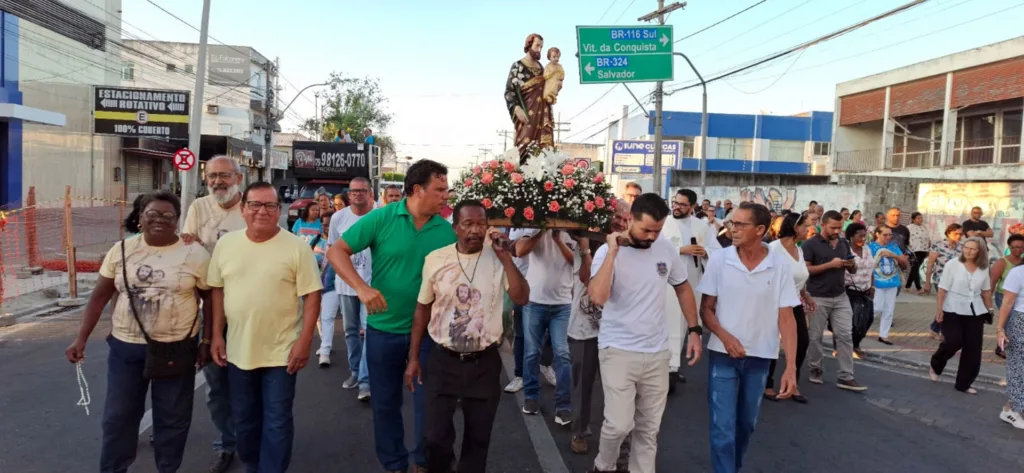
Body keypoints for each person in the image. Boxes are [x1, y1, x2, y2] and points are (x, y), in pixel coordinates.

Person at [66, 191, 211, 473]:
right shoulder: (120, 251)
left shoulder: (195, 254)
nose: (160, 220)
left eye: (168, 216)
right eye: (152, 214)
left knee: (172, 417)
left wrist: (207, 339)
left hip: (176, 347)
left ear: (177, 221)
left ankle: (168, 468)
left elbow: (212, 298)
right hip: (126, 348)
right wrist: (81, 338)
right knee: (118, 417)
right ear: (140, 218)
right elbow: (99, 296)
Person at [327, 159, 456, 473]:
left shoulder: (447, 230)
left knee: (429, 405)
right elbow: (335, 252)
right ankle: (394, 464)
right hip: (384, 329)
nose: (445, 196)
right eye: (439, 190)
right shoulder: (382, 218)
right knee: (385, 405)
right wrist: (360, 288)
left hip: (429, 333)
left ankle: (422, 461)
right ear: (416, 190)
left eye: (446, 190)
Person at [406, 201, 530, 473]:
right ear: (455, 228)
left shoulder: (497, 259)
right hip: (442, 361)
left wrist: (506, 258)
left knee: (478, 439)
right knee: (435, 437)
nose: (475, 230)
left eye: (480, 224)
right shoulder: (436, 259)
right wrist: (414, 357)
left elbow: (521, 297)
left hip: (484, 364)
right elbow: (422, 307)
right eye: (467, 224)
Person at [207, 182, 322, 473]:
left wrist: (305, 341)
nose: (262, 211)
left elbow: (312, 296)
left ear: (279, 210)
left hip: (281, 352)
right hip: (237, 349)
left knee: (277, 418)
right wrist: (216, 336)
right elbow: (217, 291)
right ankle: (252, 463)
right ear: (243, 209)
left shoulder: (297, 248)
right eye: (255, 205)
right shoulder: (226, 244)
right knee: (244, 417)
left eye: (270, 205)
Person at [587, 193, 702, 473]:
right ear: (629, 220)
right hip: (618, 350)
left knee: (649, 430)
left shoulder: (664, 248)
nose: (651, 236)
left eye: (657, 230)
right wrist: (613, 252)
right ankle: (604, 465)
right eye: (646, 230)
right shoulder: (606, 253)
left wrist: (695, 329)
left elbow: (683, 286)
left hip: (657, 352)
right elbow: (598, 297)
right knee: (618, 424)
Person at [698, 202, 801, 473]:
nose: (733, 229)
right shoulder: (720, 259)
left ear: (760, 230)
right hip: (723, 355)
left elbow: (787, 318)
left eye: (741, 224)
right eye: (732, 223)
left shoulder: (779, 265)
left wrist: (790, 367)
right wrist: (724, 336)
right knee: (722, 429)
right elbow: (706, 309)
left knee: (746, 425)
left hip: (760, 357)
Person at [180, 155, 247, 473]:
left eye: (224, 175)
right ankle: (226, 443)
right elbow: (190, 251)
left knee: (249, 379)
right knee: (216, 383)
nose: (217, 181)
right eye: (211, 176)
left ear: (239, 178)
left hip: (247, 307)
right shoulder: (198, 209)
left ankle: (251, 439)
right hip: (209, 308)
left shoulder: (252, 208)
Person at [569, 200, 631, 455]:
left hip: (618, 329)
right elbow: (586, 278)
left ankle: (620, 438)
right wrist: (585, 249)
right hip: (585, 325)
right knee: (582, 384)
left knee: (620, 388)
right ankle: (579, 431)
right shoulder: (588, 241)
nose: (619, 222)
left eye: (625, 218)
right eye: (615, 217)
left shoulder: (633, 248)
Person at [511, 222, 578, 424]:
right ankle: (531, 397)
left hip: (562, 302)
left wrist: (559, 240)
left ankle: (563, 405)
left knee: (563, 354)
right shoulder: (533, 227)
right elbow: (520, 251)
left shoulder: (572, 229)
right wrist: (542, 230)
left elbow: (576, 261)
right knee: (531, 352)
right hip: (535, 300)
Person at [804, 210, 867, 391]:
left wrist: (851, 265)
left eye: (840, 227)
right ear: (822, 225)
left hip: (840, 296)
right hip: (817, 296)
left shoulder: (843, 243)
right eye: (833, 227)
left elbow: (852, 270)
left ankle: (846, 376)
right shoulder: (810, 244)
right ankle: (815, 368)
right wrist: (830, 265)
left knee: (846, 336)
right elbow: (806, 270)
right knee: (815, 336)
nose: (837, 231)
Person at [663, 188, 721, 383]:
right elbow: (655, 247)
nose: (677, 207)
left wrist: (704, 253)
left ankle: (674, 365)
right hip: (666, 285)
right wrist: (681, 249)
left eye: (682, 204)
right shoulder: (663, 222)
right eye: (675, 202)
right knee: (668, 322)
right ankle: (666, 367)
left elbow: (717, 251)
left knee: (685, 323)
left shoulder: (701, 226)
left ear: (692, 207)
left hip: (692, 281)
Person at [326, 177, 375, 399]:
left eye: (361, 191)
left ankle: (365, 379)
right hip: (345, 285)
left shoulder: (379, 215)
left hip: (372, 285)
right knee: (350, 331)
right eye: (353, 191)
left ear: (370, 192)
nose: (357, 195)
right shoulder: (338, 217)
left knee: (370, 331)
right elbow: (332, 251)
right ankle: (355, 371)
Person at [929, 237, 993, 394]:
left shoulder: (984, 268)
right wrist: (939, 309)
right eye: (966, 247)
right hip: (952, 308)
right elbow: (942, 289)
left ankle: (964, 384)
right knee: (954, 341)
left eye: (973, 249)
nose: (968, 251)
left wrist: (990, 309)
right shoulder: (953, 264)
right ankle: (936, 363)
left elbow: (985, 291)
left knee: (973, 348)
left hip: (975, 310)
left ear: (980, 251)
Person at [764, 212, 816, 403]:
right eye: (805, 226)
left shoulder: (799, 250)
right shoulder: (773, 249)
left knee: (802, 342)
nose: (809, 230)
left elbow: (799, 278)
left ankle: (793, 383)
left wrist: (806, 295)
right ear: (795, 227)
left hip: (793, 302)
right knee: (771, 343)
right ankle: (767, 383)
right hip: (772, 303)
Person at [504, 32, 553, 157]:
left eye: (541, 47)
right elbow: (509, 91)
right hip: (526, 113)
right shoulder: (518, 66)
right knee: (523, 145)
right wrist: (516, 108)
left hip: (542, 114)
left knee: (541, 149)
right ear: (529, 45)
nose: (539, 50)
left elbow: (547, 88)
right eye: (537, 46)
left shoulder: (542, 69)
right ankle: (519, 174)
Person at [995, 262, 1024, 429]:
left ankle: (1010, 407)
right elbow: (1006, 303)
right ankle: (1011, 411)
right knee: (1018, 368)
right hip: (1021, 322)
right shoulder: (1018, 272)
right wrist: (1000, 329)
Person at [870, 225, 909, 345]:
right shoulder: (870, 247)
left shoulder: (893, 246)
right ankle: (859, 329)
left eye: (890, 235)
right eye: (885, 235)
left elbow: (905, 264)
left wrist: (894, 256)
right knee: (875, 308)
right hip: (877, 283)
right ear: (877, 234)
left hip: (892, 282)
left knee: (889, 310)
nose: (888, 237)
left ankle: (884, 335)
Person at [924, 223, 964, 338]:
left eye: (961, 234)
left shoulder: (962, 247)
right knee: (947, 304)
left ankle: (935, 328)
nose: (959, 236)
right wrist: (927, 283)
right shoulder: (938, 245)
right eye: (956, 234)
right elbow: (930, 264)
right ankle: (941, 330)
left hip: (956, 282)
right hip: (940, 280)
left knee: (949, 305)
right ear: (948, 232)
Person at [844, 222, 874, 357]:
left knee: (868, 319)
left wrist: (872, 285)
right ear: (851, 236)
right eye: (860, 236)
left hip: (866, 290)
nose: (863, 239)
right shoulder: (845, 250)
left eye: (864, 236)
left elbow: (871, 269)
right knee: (855, 322)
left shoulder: (867, 249)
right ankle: (851, 346)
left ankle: (855, 343)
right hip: (850, 290)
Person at [991, 234, 1024, 358]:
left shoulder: (1022, 262)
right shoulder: (1002, 262)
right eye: (1014, 247)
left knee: (1014, 324)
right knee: (1007, 322)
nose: (1018, 250)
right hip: (1004, 297)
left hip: (1018, 298)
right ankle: (1002, 347)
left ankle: (1006, 345)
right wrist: (988, 301)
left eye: (1021, 247)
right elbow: (992, 281)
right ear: (1009, 247)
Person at [906, 212, 930, 293]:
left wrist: (928, 248)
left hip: (923, 250)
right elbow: (906, 239)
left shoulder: (924, 227)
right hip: (914, 250)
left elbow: (927, 238)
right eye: (918, 218)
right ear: (913, 219)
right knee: (915, 268)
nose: (920, 220)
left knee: (915, 268)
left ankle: (907, 286)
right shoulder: (909, 227)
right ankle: (918, 287)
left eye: (921, 218)